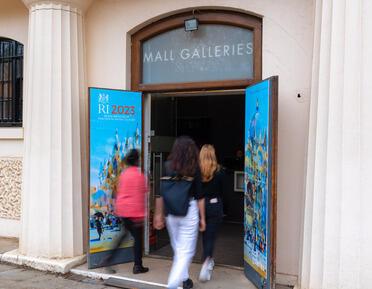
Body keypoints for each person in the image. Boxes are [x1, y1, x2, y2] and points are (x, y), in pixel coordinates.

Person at [154, 136, 206, 289]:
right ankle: (172, 285)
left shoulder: (167, 166)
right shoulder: (194, 168)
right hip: (188, 212)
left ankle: (186, 279)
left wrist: (158, 214)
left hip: (170, 213)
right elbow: (199, 197)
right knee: (185, 252)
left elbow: (159, 192)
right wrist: (203, 218)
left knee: (178, 250)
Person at [103, 149, 149, 274]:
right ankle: (137, 266)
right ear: (137, 160)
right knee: (138, 239)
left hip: (123, 210)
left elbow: (120, 191)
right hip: (135, 212)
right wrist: (142, 214)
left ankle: (109, 258)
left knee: (124, 235)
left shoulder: (124, 174)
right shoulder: (140, 175)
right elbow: (142, 193)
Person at [198, 144, 225, 282]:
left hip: (201, 206)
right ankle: (206, 263)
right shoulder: (219, 171)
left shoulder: (198, 172)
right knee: (211, 236)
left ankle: (208, 258)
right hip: (215, 205)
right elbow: (222, 191)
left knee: (205, 234)